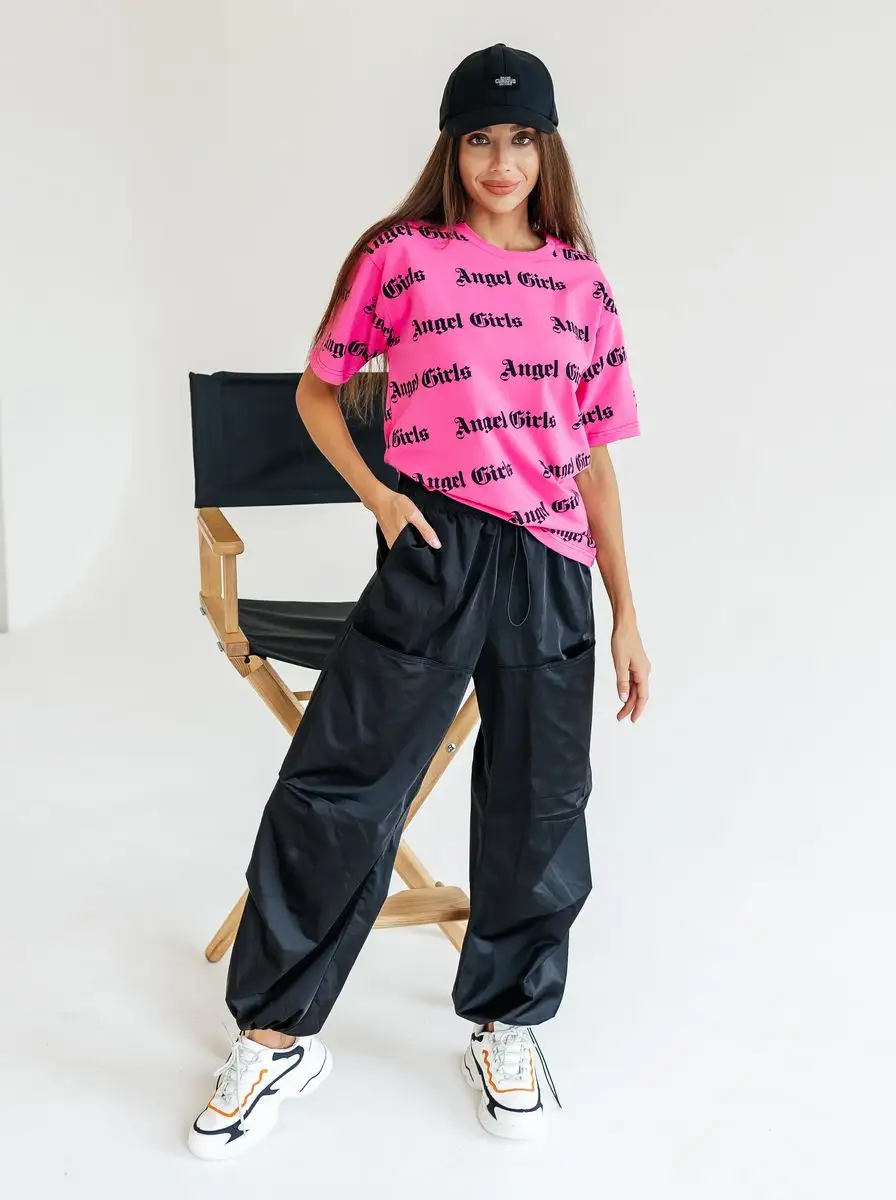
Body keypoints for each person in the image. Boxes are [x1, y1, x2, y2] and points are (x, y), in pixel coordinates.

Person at [188, 41, 650, 1160]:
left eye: (522, 139)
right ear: (453, 145)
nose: (501, 161)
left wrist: (628, 610)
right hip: (435, 550)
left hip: (551, 566)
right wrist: (383, 498)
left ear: (547, 150)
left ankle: (507, 1024)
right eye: (481, 138)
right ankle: (274, 1035)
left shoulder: (580, 281)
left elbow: (592, 460)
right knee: (337, 787)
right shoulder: (401, 257)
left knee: (541, 804)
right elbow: (321, 391)